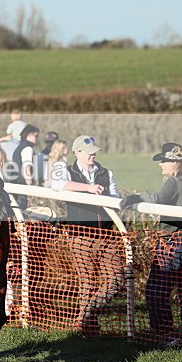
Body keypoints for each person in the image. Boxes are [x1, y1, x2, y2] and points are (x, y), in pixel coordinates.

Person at [121, 143, 182, 346]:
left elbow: (157, 199)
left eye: (164, 161)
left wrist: (133, 198)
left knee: (156, 289)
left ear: (175, 163)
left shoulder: (173, 182)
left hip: (173, 241)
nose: (161, 165)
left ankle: (167, 334)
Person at [51, 134, 122, 335]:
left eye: (94, 152)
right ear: (77, 153)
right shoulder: (65, 170)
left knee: (117, 278)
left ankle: (86, 316)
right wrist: (88, 189)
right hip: (80, 236)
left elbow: (116, 199)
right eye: (88, 152)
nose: (92, 155)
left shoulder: (106, 173)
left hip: (106, 236)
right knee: (87, 283)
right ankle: (87, 327)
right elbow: (57, 185)